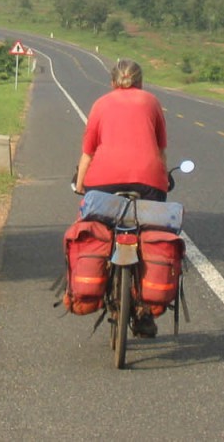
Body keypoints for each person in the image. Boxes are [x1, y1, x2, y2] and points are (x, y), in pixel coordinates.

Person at [74, 58, 168, 337]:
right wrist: (162, 179)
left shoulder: (100, 104)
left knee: (97, 230)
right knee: (149, 233)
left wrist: (81, 184)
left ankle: (96, 286)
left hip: (103, 180)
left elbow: (88, 153)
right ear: (140, 82)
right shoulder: (152, 102)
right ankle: (144, 308)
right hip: (149, 180)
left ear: (113, 81)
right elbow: (161, 150)